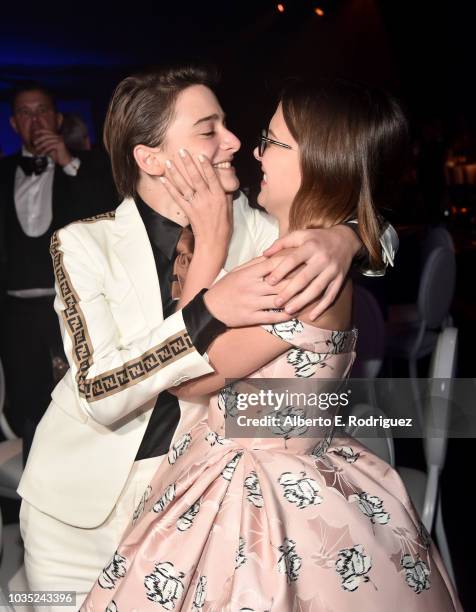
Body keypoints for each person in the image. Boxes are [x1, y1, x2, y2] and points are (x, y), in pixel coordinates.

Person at [18, 67, 396, 611]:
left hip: (199, 508)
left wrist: (345, 237)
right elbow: (99, 393)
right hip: (76, 517)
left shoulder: (266, 225)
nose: (236, 142)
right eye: (208, 129)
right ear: (152, 159)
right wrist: (206, 308)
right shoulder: (83, 244)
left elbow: (362, 213)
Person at [82, 77, 462, 611]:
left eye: (273, 140)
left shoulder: (296, 268)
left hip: (258, 490)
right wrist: (347, 233)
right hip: (211, 464)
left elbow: (189, 377)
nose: (252, 148)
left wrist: (212, 240)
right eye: (212, 130)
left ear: (323, 160)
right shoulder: (302, 251)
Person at [0, 82, 118, 464]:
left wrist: (68, 162)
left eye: (42, 111)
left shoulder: (89, 167)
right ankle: (32, 508)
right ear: (14, 123)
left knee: (81, 406)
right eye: (25, 113)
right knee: (27, 405)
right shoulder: (2, 173)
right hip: (15, 313)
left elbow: (109, 218)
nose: (35, 120)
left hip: (72, 307)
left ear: (58, 118)